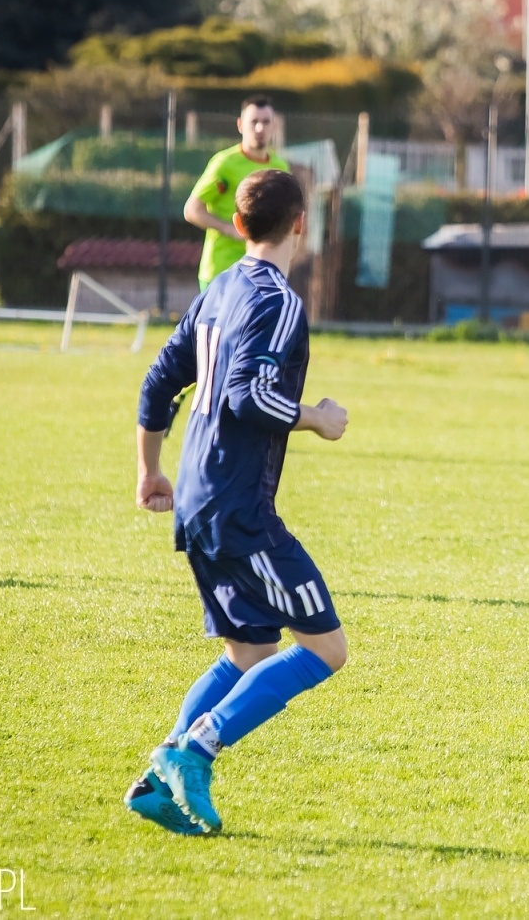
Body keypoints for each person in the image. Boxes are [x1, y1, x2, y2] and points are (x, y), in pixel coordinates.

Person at [127, 169, 350, 836]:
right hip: (238, 508)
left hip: (199, 496)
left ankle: (157, 777)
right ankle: (197, 750)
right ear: (301, 224)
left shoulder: (220, 287)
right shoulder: (277, 300)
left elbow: (158, 380)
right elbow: (247, 396)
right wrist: (317, 416)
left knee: (248, 651)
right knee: (326, 648)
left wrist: (149, 470)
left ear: (240, 224)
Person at [184, 95, 291, 291]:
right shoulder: (225, 163)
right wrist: (229, 229)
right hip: (221, 270)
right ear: (241, 125)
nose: (260, 128)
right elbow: (192, 210)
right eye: (254, 122)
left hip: (261, 271)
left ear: (274, 126)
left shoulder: (280, 167)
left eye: (266, 122)